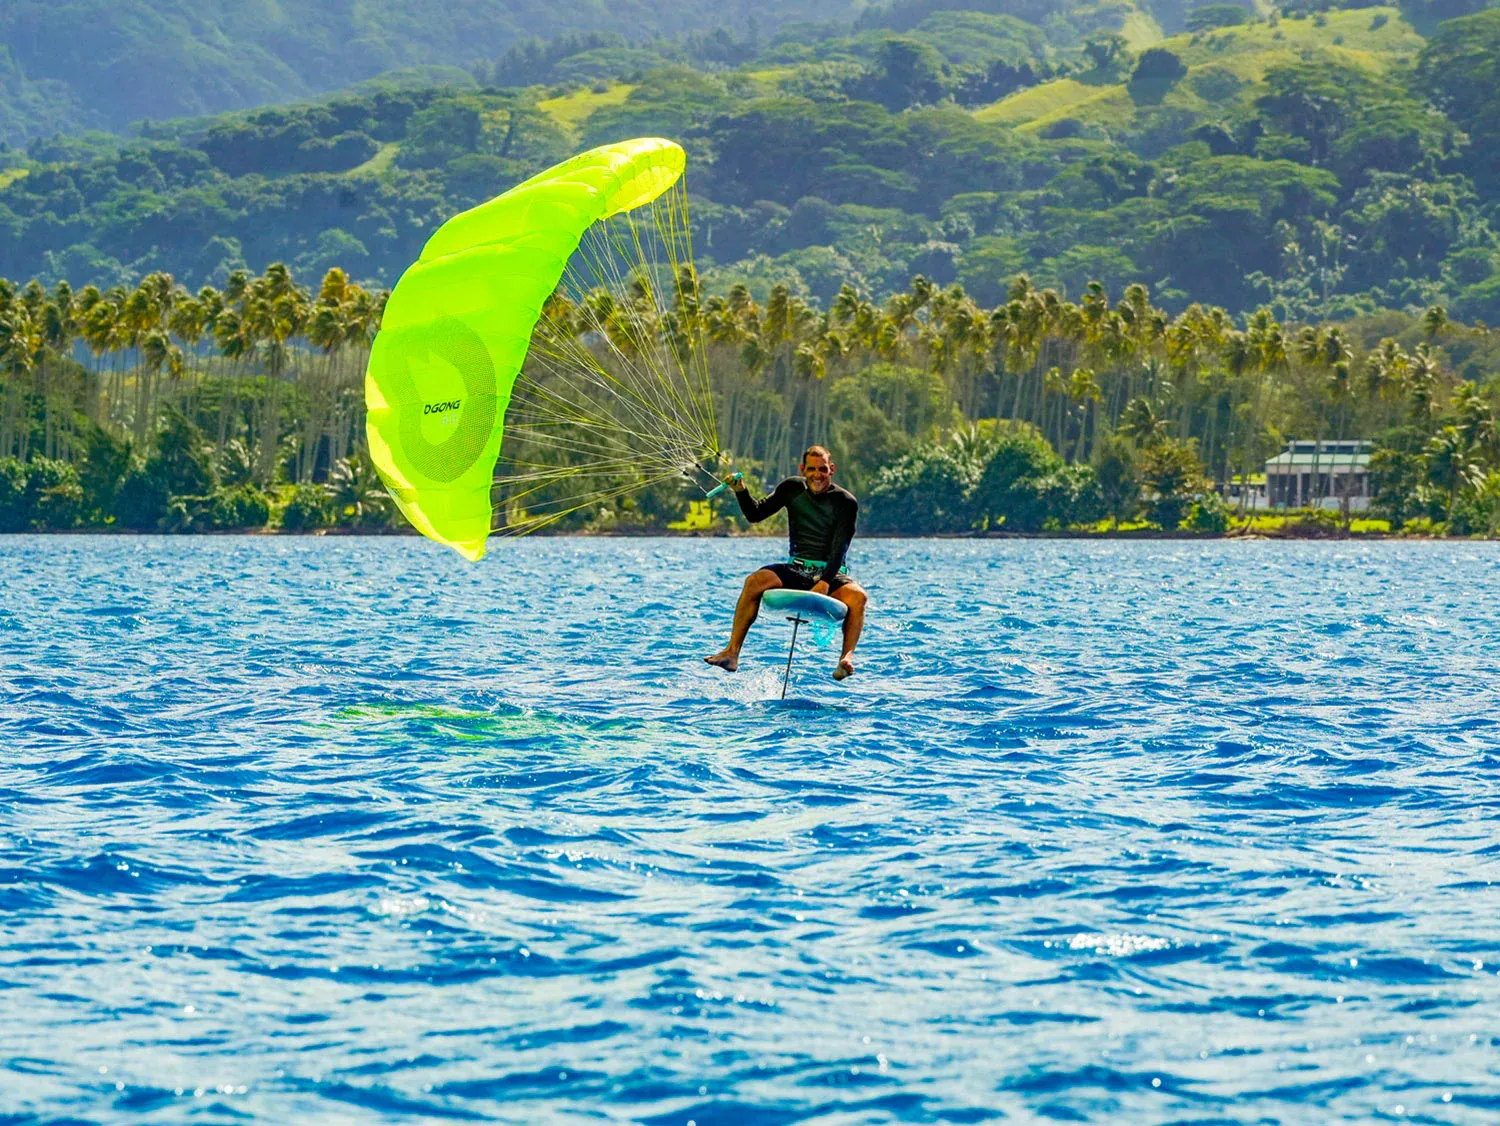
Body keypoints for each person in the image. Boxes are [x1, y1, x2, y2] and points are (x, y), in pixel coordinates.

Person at [704, 445, 868, 680]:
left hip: (830, 572)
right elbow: (755, 514)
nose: (817, 474)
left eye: (823, 469)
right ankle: (732, 653)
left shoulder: (845, 502)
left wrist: (824, 582)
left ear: (831, 470)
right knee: (755, 581)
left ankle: (846, 659)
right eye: (811, 469)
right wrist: (740, 490)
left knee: (858, 597)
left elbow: (840, 547)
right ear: (802, 470)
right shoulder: (791, 488)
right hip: (796, 568)